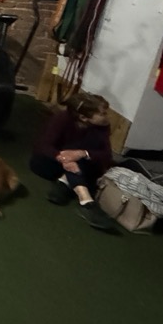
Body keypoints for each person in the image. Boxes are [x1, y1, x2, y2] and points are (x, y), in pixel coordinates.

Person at [31, 92, 120, 233]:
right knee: (77, 162)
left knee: (85, 160)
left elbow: (106, 155)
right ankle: (86, 201)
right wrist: (63, 158)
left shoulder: (102, 125)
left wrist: (82, 153)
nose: (106, 117)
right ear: (83, 117)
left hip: (79, 164)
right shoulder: (61, 119)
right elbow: (44, 146)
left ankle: (64, 183)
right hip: (51, 163)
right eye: (102, 114)